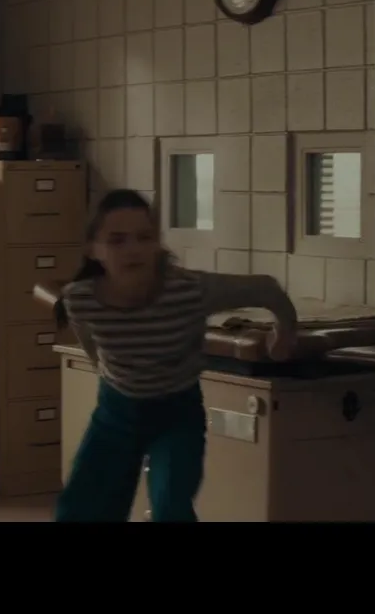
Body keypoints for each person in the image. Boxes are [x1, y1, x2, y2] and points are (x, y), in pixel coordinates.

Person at [54, 189, 299, 522]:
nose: (133, 250)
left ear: (157, 243)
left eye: (144, 237)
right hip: (117, 412)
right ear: (93, 250)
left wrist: (284, 334)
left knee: (171, 507)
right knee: (78, 510)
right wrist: (108, 371)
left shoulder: (188, 290)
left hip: (176, 413)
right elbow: (91, 345)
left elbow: (266, 288)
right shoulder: (80, 299)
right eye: (117, 240)